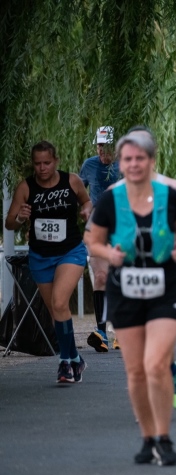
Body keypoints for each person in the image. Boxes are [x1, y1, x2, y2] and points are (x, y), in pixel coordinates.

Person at [85, 131, 176, 465]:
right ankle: (147, 439)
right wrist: (111, 255)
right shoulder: (111, 198)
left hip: (164, 286)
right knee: (135, 371)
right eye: (128, 159)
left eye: (140, 158)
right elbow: (93, 240)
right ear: (121, 163)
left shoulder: (169, 193)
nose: (134, 164)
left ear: (151, 161)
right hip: (126, 288)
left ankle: (164, 437)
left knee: (156, 363)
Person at [5, 141, 92, 383]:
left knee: (59, 302)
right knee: (56, 311)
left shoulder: (71, 181)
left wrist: (87, 210)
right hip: (40, 256)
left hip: (70, 252)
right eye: (37, 164)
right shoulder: (26, 187)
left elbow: (86, 201)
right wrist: (20, 218)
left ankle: (64, 362)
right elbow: (9, 223)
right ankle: (75, 359)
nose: (42, 168)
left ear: (56, 161)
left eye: (46, 163)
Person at [80, 126, 121, 352]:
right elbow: (79, 193)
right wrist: (85, 208)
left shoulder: (126, 165)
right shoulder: (89, 165)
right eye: (99, 145)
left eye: (107, 146)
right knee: (101, 276)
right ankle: (102, 333)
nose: (102, 150)